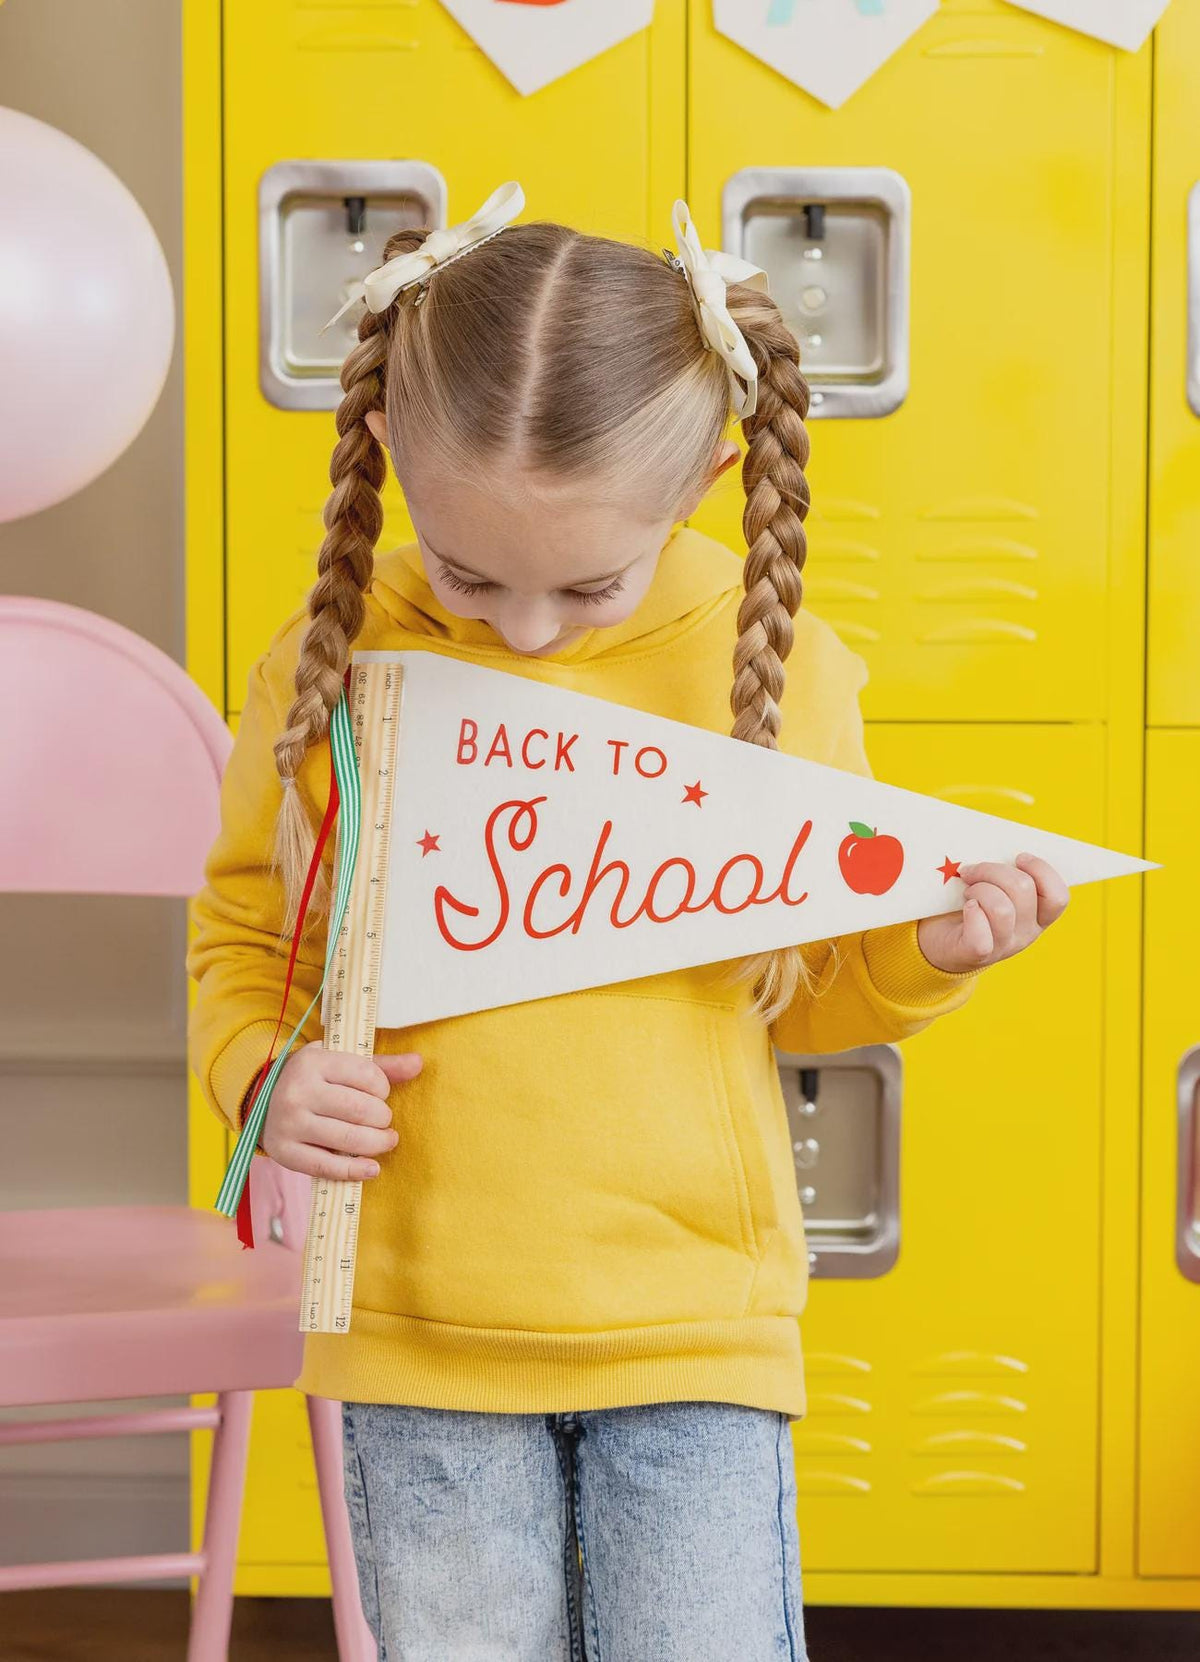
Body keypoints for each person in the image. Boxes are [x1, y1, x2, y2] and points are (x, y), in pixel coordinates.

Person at [186, 181, 1069, 1662]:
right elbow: (237, 936)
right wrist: (264, 1078)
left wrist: (932, 956)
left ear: (708, 480)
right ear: (391, 453)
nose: (525, 632)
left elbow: (808, 988)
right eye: (471, 574)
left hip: (694, 1325)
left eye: (589, 586)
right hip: (416, 1335)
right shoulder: (332, 656)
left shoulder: (773, 663)